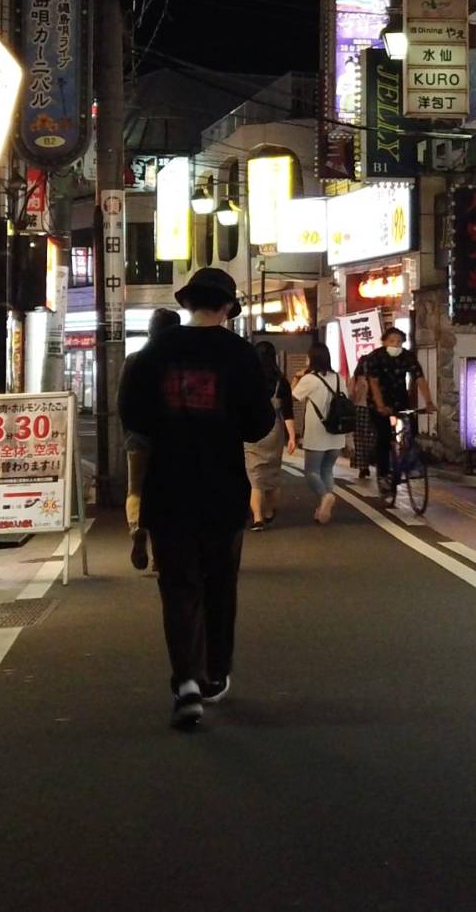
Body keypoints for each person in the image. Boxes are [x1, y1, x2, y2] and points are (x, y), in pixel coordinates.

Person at [118, 267, 272, 729]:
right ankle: (214, 674)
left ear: (187, 304)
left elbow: (134, 421)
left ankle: (185, 681)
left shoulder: (151, 354)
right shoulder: (240, 355)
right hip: (222, 489)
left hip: (167, 490)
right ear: (227, 307)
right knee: (219, 585)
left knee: (179, 588)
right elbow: (257, 424)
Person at [126, 307, 181, 573]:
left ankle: (137, 528)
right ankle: (163, 555)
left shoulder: (135, 360)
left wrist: (130, 432)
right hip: (172, 439)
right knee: (169, 495)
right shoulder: (182, 362)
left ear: (150, 329)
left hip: (139, 437)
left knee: (137, 489)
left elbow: (122, 401)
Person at [359, 326, 431, 494]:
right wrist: (380, 406)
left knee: (410, 431)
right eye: (392, 341)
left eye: (399, 341)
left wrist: (428, 401)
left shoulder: (407, 357)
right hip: (378, 402)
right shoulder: (374, 357)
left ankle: (410, 464)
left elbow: (419, 378)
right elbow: (374, 383)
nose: (395, 344)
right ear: (384, 341)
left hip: (400, 400)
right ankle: (384, 474)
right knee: (384, 437)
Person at [289, 344, 355, 524]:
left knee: (311, 471)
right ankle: (322, 509)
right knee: (327, 470)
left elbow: (292, 397)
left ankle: (325, 496)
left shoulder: (310, 379)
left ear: (312, 359)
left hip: (317, 432)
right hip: (337, 432)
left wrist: (296, 377)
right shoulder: (339, 378)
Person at [244, 339, 293, 531]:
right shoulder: (282, 382)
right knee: (272, 474)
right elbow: (288, 412)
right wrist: (292, 437)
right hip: (274, 430)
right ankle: (270, 511)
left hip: (252, 430)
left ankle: (257, 518)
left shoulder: (248, 380)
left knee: (255, 476)